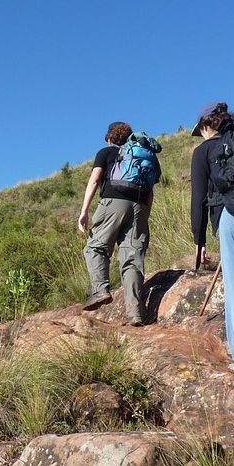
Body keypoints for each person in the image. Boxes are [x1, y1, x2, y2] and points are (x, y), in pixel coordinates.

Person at [190, 102, 234, 378]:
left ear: (207, 126)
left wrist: (199, 239)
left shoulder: (204, 151)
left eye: (201, 130)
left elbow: (198, 199)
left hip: (232, 218)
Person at [78, 121, 157, 326]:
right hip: (139, 206)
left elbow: (95, 180)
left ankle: (100, 289)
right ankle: (135, 314)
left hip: (113, 202)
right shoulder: (142, 156)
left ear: (110, 138)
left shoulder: (106, 152)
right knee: (132, 259)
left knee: (95, 248)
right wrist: (143, 217)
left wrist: (84, 211)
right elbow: (150, 192)